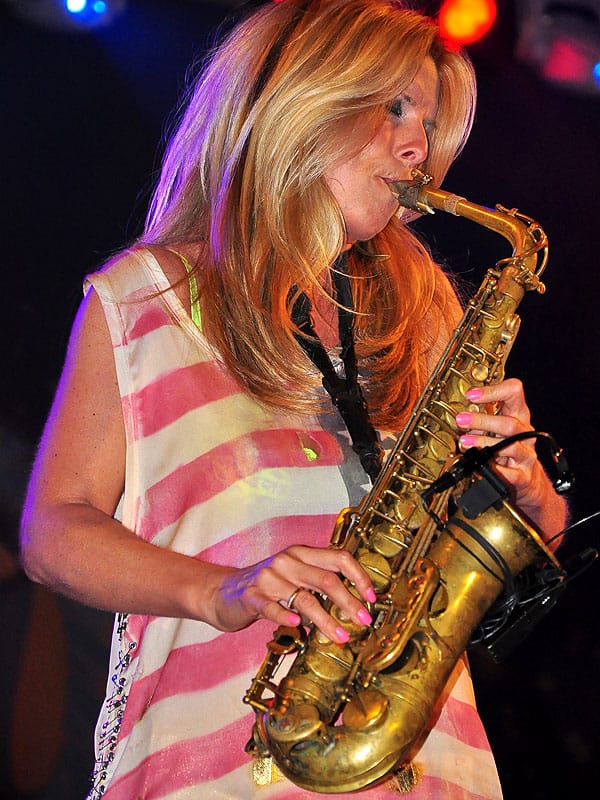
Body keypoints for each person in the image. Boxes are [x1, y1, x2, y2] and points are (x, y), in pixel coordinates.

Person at [19, 0, 568, 798]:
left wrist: (526, 491)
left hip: (432, 766)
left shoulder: (428, 320)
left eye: (426, 122)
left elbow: (494, 569)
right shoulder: (147, 297)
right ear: (305, 92)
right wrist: (221, 589)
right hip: (220, 766)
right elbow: (52, 533)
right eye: (394, 107)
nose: (419, 145)